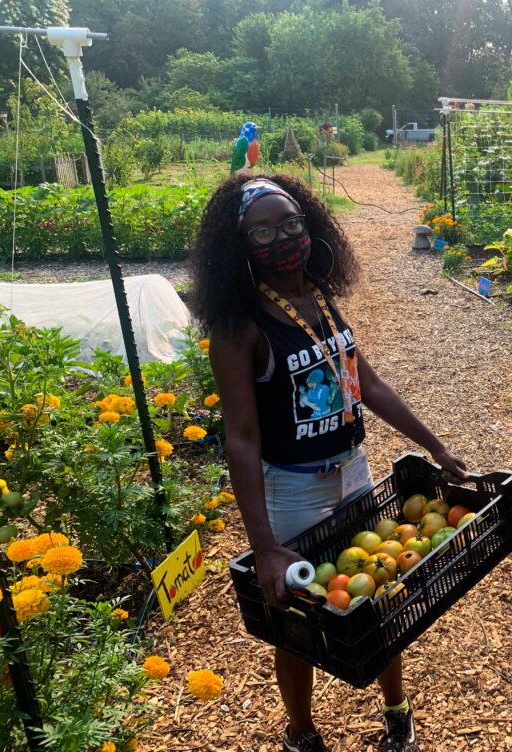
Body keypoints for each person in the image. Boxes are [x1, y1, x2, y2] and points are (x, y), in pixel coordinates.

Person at [190, 172, 467, 752]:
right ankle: (301, 733)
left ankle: (397, 711)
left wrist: (436, 444)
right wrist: (264, 544)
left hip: (353, 470)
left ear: (310, 225)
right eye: (261, 230)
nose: (281, 238)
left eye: (290, 222)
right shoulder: (239, 328)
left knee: (378, 596)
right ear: (237, 245)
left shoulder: (318, 297)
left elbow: (366, 381)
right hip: (292, 490)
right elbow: (241, 437)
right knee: (295, 627)